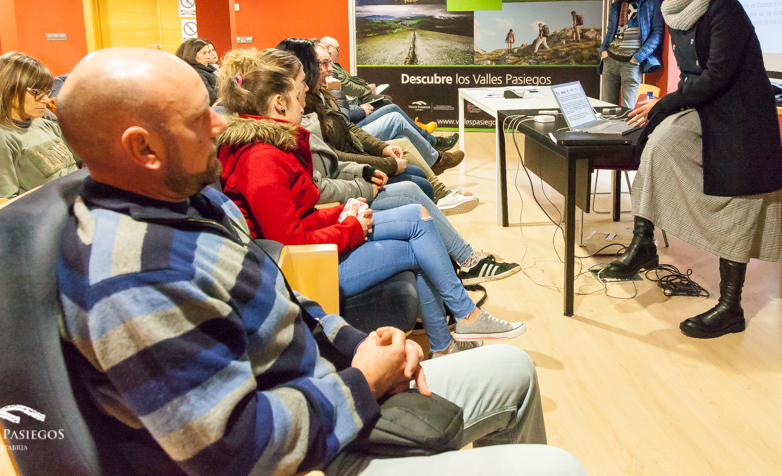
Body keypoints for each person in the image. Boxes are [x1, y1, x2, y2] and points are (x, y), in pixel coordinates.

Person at [55, 47, 586, 476]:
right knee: (558, 467)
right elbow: (233, 451)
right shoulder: (134, 277)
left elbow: (287, 300)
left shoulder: (194, 204)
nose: (219, 124)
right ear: (144, 148)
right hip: (314, 450)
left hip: (329, 389)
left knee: (515, 368)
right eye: (199, 118)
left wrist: (359, 345)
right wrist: (365, 383)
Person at [217, 56, 525, 357]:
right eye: (298, 97)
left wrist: (342, 212)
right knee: (419, 244)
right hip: (306, 270)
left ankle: (455, 333)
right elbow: (291, 243)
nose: (303, 103)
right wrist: (350, 226)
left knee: (418, 216)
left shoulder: (270, 149)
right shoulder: (261, 161)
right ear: (279, 104)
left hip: (312, 252)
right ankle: (458, 328)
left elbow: (300, 215)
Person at [599, 0, 782, 339]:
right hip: (708, 108)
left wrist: (666, 103)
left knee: (737, 203)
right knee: (658, 147)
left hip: (742, 121)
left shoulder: (724, 10)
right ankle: (644, 245)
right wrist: (666, 107)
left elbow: (717, 74)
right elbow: (693, 76)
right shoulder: (682, 11)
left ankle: (731, 308)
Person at [280, 38, 477, 214]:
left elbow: (345, 117)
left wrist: (382, 148)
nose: (330, 67)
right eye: (323, 63)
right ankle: (438, 168)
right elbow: (341, 132)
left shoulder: (320, 93)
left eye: (330, 59)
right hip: (352, 164)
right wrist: (345, 97)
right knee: (398, 126)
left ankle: (439, 176)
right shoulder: (308, 108)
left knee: (395, 122)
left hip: (353, 148)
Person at [0, 52, 78, 198]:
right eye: (37, 92)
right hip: (52, 208)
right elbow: (6, 201)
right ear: (9, 90)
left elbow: (88, 160)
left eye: (47, 92)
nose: (47, 100)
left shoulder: (45, 124)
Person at [598, 0, 664, 108]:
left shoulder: (652, 1)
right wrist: (603, 50)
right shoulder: (616, 6)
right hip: (610, 60)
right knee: (607, 107)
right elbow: (610, 32)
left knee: (628, 109)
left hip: (632, 63)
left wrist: (638, 58)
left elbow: (657, 33)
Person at [318, 35, 388, 105]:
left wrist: (366, 86)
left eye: (329, 62)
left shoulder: (335, 66)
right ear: (328, 48)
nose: (339, 53)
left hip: (351, 103)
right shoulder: (330, 71)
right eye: (337, 49)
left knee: (387, 101)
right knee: (387, 101)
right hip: (352, 103)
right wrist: (368, 90)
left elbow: (350, 81)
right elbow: (347, 87)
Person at [176, 37, 219, 103]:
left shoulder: (207, 69)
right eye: (204, 53)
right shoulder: (197, 74)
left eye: (208, 53)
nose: (208, 57)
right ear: (192, 55)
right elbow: (211, 100)